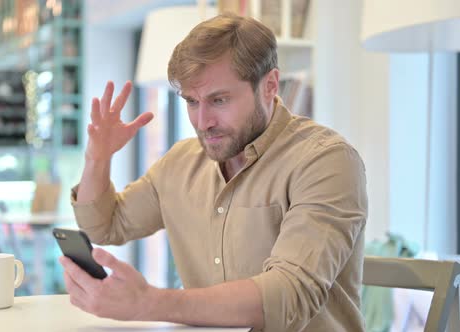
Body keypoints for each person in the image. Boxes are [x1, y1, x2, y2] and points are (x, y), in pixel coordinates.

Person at [59, 12, 367, 332]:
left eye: (218, 100)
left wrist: (148, 302)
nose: (202, 121)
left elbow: (288, 295)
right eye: (192, 101)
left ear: (270, 86)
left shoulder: (326, 162)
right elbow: (104, 226)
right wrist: (97, 158)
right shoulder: (181, 162)